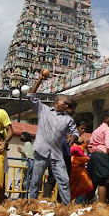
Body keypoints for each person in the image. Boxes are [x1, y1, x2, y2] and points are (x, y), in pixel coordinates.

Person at [26, 74, 77, 205]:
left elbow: (75, 132)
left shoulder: (68, 119)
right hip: (41, 151)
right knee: (36, 180)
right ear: (56, 102)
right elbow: (30, 96)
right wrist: (40, 79)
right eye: (64, 103)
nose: (66, 106)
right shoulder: (43, 110)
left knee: (64, 181)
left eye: (67, 104)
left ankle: (67, 207)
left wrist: (73, 137)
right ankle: (32, 204)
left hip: (57, 154)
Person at [87, 113, 109, 204]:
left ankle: (88, 202)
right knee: (103, 182)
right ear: (106, 118)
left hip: (94, 155)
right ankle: (101, 205)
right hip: (103, 155)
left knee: (94, 181)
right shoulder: (107, 130)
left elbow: (89, 144)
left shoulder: (96, 130)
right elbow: (108, 145)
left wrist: (93, 151)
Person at [17, 132, 34, 199]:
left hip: (28, 164)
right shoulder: (28, 144)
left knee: (26, 181)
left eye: (22, 136)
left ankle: (23, 197)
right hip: (28, 164)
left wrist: (21, 151)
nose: (21, 137)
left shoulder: (28, 144)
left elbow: (28, 154)